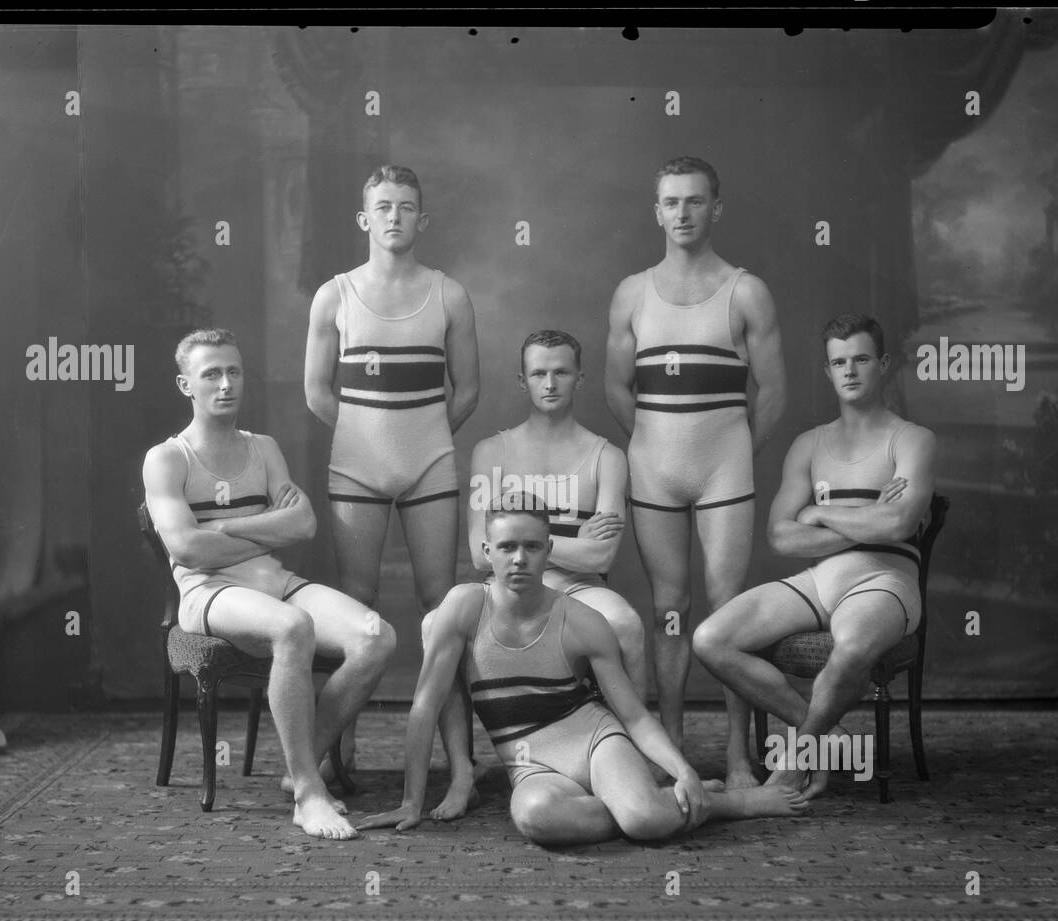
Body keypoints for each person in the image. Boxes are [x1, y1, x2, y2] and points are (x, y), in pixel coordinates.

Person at [359, 504, 808, 844]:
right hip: (531, 764)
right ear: (485, 552)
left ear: (549, 550)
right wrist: (411, 801)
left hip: (594, 741)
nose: (519, 559)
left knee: (644, 823)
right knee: (534, 817)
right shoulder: (463, 607)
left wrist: (680, 768)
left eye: (532, 546)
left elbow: (632, 716)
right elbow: (424, 706)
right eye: (506, 547)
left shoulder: (581, 620)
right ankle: (658, 802)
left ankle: (719, 802)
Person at [143, 329, 396, 839]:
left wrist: (226, 527)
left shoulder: (264, 449)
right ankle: (308, 792)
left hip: (276, 582)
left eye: (234, 371)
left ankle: (301, 759)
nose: (225, 384)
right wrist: (263, 530)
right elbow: (188, 551)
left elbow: (302, 526)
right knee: (292, 628)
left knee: (375, 636)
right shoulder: (167, 459)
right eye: (210, 374)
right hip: (209, 593)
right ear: (184, 384)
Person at [692, 314, 937, 797]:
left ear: (883, 364)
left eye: (861, 359)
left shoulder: (911, 439)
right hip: (817, 581)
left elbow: (900, 524)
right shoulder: (809, 444)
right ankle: (830, 739)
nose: (850, 371)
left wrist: (821, 513)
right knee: (710, 638)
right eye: (839, 362)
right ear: (828, 372)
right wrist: (865, 513)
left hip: (884, 581)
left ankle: (794, 762)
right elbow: (781, 538)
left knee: (850, 650)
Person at [605, 155, 788, 789]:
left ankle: (739, 758)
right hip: (654, 473)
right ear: (656, 211)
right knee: (669, 612)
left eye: (694, 201)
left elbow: (772, 393)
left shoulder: (746, 290)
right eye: (671, 202)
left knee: (728, 616)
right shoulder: (632, 292)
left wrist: (731, 451)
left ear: (716, 208)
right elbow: (616, 387)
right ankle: (673, 753)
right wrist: (657, 446)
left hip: (724, 477)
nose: (682, 213)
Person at [303, 165, 480, 818]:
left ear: (421, 220)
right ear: (364, 219)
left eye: (407, 207)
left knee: (444, 611)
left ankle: (460, 769)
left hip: (430, 465)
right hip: (357, 470)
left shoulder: (449, 294)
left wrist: (421, 438)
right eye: (383, 207)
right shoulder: (335, 295)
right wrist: (367, 441)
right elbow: (318, 391)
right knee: (358, 609)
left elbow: (467, 391)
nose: (395, 217)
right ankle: (336, 760)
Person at [464, 328, 646, 698]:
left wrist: (516, 541)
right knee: (440, 626)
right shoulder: (490, 453)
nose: (550, 383)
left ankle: (636, 745)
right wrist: (569, 544)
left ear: (579, 379)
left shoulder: (608, 458)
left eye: (561, 373)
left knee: (626, 623)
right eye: (538, 374)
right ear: (522, 381)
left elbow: (601, 555)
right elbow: (479, 553)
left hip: (581, 588)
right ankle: (461, 756)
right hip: (505, 588)